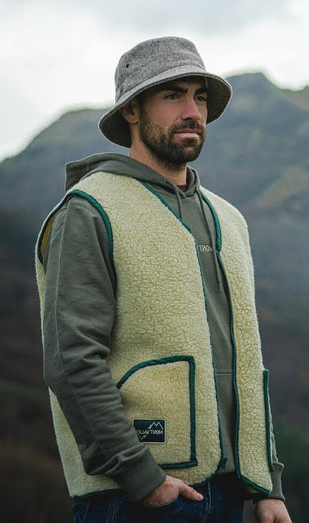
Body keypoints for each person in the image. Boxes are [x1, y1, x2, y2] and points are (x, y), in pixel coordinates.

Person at [36, 37, 292, 523]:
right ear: (133, 110)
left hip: (234, 495)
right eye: (173, 95)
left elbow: (245, 360)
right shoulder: (89, 211)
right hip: (135, 497)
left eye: (200, 96)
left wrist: (266, 483)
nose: (193, 110)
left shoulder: (229, 219)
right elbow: (72, 360)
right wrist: (141, 478)